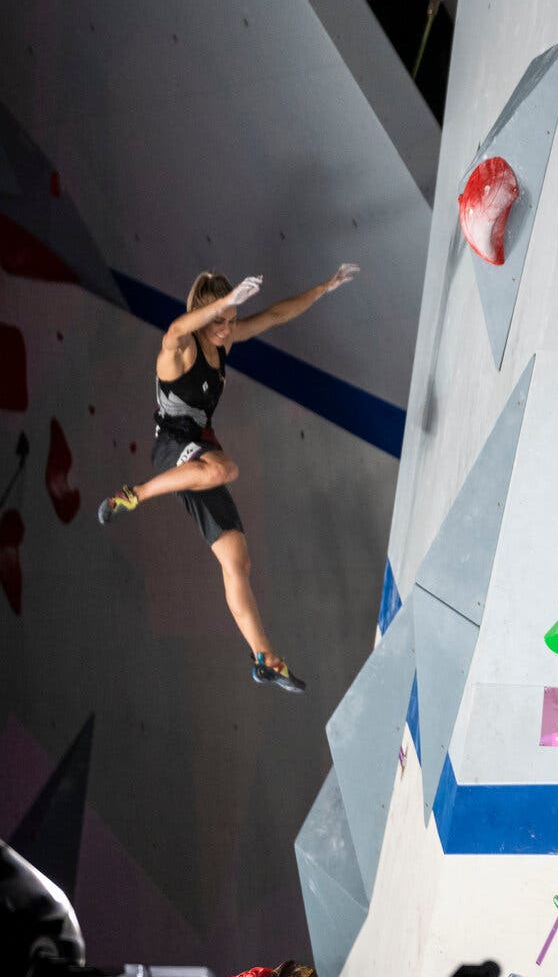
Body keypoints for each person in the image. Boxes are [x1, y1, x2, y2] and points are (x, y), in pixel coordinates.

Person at [96, 265, 360, 691]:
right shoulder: (180, 351)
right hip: (173, 448)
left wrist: (324, 287)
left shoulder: (225, 340)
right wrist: (224, 302)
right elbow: (176, 328)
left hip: (198, 453)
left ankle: (265, 658)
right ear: (205, 315)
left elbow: (274, 315)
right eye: (219, 322)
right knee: (226, 469)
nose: (226, 330)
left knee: (237, 559)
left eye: (232, 321)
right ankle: (135, 494)